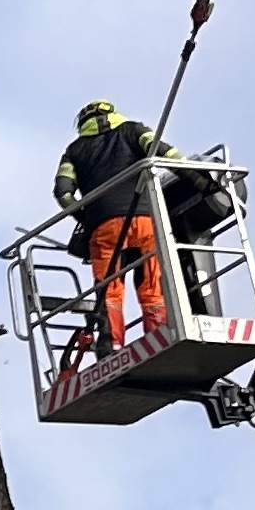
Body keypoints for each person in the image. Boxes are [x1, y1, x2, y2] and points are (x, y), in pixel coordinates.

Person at [55, 99, 171, 346]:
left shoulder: (74, 151)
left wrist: (86, 217)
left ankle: (111, 344)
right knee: (152, 284)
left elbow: (63, 193)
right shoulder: (133, 130)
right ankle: (158, 337)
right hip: (144, 219)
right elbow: (167, 153)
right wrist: (198, 178)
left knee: (109, 290)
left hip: (104, 227)